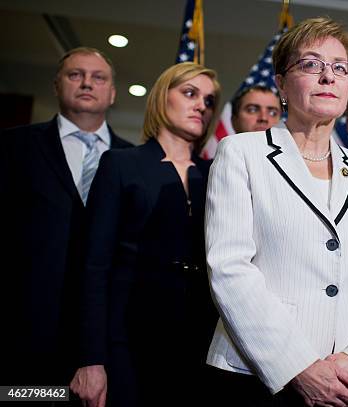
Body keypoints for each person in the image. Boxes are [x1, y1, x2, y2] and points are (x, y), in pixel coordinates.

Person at [205, 17, 348, 406]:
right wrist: (298, 366)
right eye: (312, 65)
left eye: (340, 67)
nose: (328, 77)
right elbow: (229, 268)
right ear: (281, 82)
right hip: (259, 376)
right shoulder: (242, 153)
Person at [70, 62, 220, 407]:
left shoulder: (218, 173)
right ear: (161, 97)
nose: (201, 105)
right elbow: (94, 265)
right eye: (189, 93)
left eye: (209, 100)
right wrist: (91, 358)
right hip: (129, 333)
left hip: (200, 338)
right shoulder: (121, 164)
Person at [0, 47, 132, 391]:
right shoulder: (12, 147)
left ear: (113, 92)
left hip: (104, 339)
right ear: (57, 85)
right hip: (25, 332)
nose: (87, 83)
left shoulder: (134, 161)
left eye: (98, 77)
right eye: (75, 74)